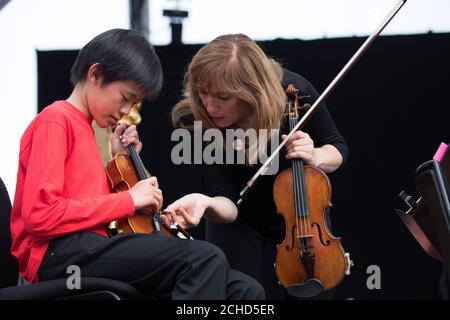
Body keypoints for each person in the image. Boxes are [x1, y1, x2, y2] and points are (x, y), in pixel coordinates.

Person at [10, 29, 264, 300]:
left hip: (91, 249)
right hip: (59, 257)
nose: (126, 111)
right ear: (95, 74)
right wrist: (130, 200)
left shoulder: (87, 130)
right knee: (203, 258)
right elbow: (42, 215)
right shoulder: (56, 120)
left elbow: (89, 206)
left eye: (133, 103)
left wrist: (120, 160)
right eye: (125, 97)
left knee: (245, 290)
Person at [166, 33, 349, 298]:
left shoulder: (293, 91)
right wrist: (204, 202)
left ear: (251, 92)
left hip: (302, 214)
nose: (209, 106)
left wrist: (315, 155)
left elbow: (338, 148)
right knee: (237, 298)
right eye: (202, 93)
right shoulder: (200, 121)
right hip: (239, 218)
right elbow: (228, 204)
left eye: (223, 97)